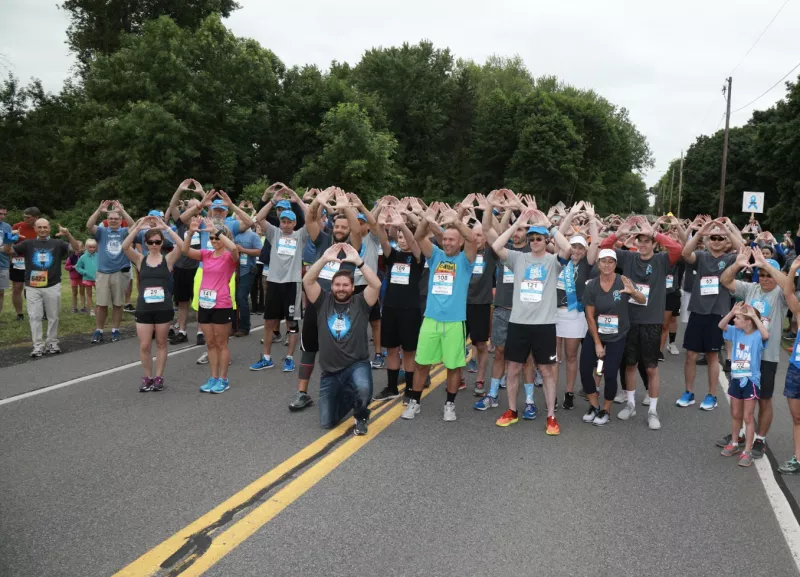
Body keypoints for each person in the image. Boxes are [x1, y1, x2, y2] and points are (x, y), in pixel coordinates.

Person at [490, 208, 571, 434]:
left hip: (544, 325)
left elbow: (567, 248)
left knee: (546, 371)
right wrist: (516, 226)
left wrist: (549, 225)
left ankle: (551, 416)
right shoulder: (518, 258)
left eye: (538, 238)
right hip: (518, 323)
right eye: (531, 238)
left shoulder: (553, 261)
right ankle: (512, 411)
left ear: (546, 241)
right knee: (513, 368)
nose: (534, 241)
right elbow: (496, 247)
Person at [599, 215, 682, 429]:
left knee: (652, 368)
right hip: (629, 321)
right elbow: (603, 247)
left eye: (647, 241)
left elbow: (677, 250)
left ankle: (653, 411)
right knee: (630, 365)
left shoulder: (662, 260)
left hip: (652, 322)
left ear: (654, 243)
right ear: (635, 242)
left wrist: (655, 232)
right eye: (640, 240)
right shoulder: (627, 258)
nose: (643, 244)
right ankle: (630, 404)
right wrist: (619, 232)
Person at [288, 188, 363, 411]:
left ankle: (345, 392)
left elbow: (358, 230)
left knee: (342, 353)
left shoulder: (353, 248)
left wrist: (345, 206)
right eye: (337, 226)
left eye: (343, 227)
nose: (339, 230)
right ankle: (302, 393)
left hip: (343, 308)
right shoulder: (322, 240)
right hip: (317, 304)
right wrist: (319, 202)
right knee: (309, 349)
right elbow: (310, 218)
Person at [402, 202, 476, 422]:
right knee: (421, 363)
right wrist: (429, 216)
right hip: (431, 320)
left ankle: (450, 405)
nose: (447, 242)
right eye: (445, 239)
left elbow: (473, 239)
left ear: (460, 242)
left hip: (455, 322)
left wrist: (455, 221)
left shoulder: (466, 260)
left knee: (453, 366)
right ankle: (415, 401)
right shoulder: (435, 255)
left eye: (452, 239)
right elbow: (419, 235)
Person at [716, 247, 790, 458]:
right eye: (762, 274)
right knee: (739, 399)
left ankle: (760, 439)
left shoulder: (780, 294)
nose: (765, 279)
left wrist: (767, 264)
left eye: (768, 275)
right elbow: (725, 280)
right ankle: (738, 435)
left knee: (764, 399)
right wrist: (738, 264)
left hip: (766, 357)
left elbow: (788, 286)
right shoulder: (751, 288)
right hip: (744, 357)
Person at [302, 242, 382, 435]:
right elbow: (307, 281)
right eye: (337, 285)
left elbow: (376, 284)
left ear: (353, 287)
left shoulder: (361, 302)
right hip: (330, 371)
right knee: (327, 422)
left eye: (345, 285)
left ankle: (361, 415)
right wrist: (324, 259)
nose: (341, 288)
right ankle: (349, 393)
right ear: (332, 286)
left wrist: (359, 262)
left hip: (357, 364)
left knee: (363, 389)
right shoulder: (323, 301)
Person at [678, 217, 743, 410]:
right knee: (690, 354)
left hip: (718, 313)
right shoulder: (701, 256)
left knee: (712, 355)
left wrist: (728, 228)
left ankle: (712, 395)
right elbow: (685, 253)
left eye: (720, 238)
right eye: (713, 238)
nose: (716, 241)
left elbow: (743, 252)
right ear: (707, 240)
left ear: (726, 242)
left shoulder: (730, 258)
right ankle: (688, 392)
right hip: (698, 311)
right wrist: (700, 232)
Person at [581, 249, 646, 425]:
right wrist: (597, 343)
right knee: (585, 369)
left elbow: (642, 300)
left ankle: (606, 409)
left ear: (615, 264)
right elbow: (589, 316)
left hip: (617, 335)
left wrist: (633, 292)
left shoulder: (623, 281)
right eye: (603, 261)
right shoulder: (591, 285)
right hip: (596, 333)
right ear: (598, 263)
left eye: (611, 261)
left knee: (610, 373)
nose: (607, 265)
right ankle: (594, 405)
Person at [250, 184, 309, 372]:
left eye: (288, 221)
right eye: (282, 221)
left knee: (292, 323)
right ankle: (266, 357)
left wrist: (298, 200)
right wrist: (273, 200)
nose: (285, 224)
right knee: (269, 321)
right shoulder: (273, 233)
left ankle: (290, 357)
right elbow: (259, 217)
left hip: (292, 284)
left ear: (293, 223)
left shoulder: (300, 235)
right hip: (274, 282)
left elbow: (312, 218)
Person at [122, 217, 184, 392]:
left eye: (157, 241)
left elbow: (182, 245)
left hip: (163, 308)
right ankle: (147, 377)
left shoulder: (168, 259)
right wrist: (138, 227)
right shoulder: (140, 259)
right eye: (150, 241)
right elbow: (125, 246)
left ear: (162, 242)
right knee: (144, 345)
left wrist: (166, 228)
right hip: (144, 308)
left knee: (162, 343)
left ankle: (159, 377)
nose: (154, 244)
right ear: (146, 242)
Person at [3, 219, 80, 356]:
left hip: (52, 284)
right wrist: (10, 239)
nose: (42, 230)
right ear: (35, 228)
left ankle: (52, 342)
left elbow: (76, 248)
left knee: (53, 316)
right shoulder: (27, 243)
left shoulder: (57, 243)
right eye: (40, 227)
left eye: (45, 227)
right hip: (33, 286)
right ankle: (38, 345)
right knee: (35, 316)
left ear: (49, 228)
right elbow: (7, 251)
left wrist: (68, 235)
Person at [182, 216, 239, 393]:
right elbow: (185, 251)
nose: (214, 240)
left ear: (223, 238)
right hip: (205, 304)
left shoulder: (230, 257)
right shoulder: (206, 255)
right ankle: (213, 377)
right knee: (210, 343)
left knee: (222, 343)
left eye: (217, 238)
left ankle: (223, 379)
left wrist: (217, 230)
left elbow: (234, 248)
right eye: (212, 238)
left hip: (222, 304)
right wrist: (191, 232)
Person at [372, 207, 423, 400]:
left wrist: (402, 223)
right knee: (391, 349)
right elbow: (382, 238)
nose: (402, 240)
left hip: (411, 309)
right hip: (391, 308)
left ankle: (410, 389)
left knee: (408, 351)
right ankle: (391, 388)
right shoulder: (393, 255)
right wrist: (382, 220)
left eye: (404, 236)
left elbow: (413, 241)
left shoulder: (418, 257)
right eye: (399, 236)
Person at [555, 202, 599, 409]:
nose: (576, 250)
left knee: (571, 356)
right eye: (573, 245)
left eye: (581, 247)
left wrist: (591, 219)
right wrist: (571, 215)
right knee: (553, 358)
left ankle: (569, 392)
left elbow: (596, 244)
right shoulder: (560, 260)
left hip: (574, 315)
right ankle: (552, 392)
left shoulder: (587, 264)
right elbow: (558, 235)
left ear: (585, 250)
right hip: (554, 313)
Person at [717, 302, 769, 468]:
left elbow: (766, 335)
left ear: (748, 321)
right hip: (736, 378)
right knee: (735, 413)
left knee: (748, 416)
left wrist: (754, 315)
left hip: (750, 380)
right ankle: (733, 442)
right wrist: (732, 312)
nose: (734, 321)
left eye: (738, 318)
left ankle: (747, 451)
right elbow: (721, 325)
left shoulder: (756, 336)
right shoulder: (735, 332)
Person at [86, 200, 135, 343]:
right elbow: (89, 226)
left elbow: (134, 225)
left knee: (118, 304)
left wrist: (122, 211)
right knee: (101, 304)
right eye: (111, 218)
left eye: (116, 218)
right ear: (107, 220)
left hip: (120, 272)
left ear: (121, 221)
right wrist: (98, 210)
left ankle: (115, 330)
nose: (113, 221)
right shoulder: (102, 231)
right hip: (102, 272)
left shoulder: (125, 232)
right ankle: (99, 330)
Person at [777, 258, 800, 474]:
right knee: (797, 417)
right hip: (796, 369)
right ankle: (798, 459)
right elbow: (788, 294)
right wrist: (792, 269)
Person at [232, 219, 262, 337]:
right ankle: (234, 325)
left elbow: (260, 251)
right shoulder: (234, 234)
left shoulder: (253, 236)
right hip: (234, 271)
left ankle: (245, 327)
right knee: (233, 298)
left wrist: (243, 250)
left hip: (248, 271)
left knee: (241, 297)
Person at [10, 206, 41, 320]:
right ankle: (19, 314)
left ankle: (36, 312)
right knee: (17, 287)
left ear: (36, 217)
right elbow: (9, 245)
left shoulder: (41, 227)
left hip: (35, 262)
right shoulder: (17, 226)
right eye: (24, 217)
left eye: (28, 218)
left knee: (34, 288)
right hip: (18, 261)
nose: (25, 219)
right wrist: (13, 238)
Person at [75, 240, 98, 315]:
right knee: (89, 294)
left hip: (98, 279)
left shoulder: (99, 255)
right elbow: (77, 267)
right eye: (90, 247)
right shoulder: (83, 257)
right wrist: (84, 272)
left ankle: (98, 308)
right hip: (87, 279)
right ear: (86, 247)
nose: (92, 249)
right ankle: (91, 309)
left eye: (94, 247)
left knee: (100, 294)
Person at [0, 205, 14, 313]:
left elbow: (9, 247)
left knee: (1, 292)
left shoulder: (7, 227)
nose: (3, 216)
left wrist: (10, 262)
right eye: (0, 214)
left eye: (5, 214)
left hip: (3, 263)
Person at [65, 240, 86, 312]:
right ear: (72, 248)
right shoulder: (70, 257)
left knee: (82, 292)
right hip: (74, 278)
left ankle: (83, 307)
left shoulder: (84, 257)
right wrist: (73, 267)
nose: (78, 250)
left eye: (79, 248)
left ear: (82, 248)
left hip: (82, 277)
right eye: (76, 248)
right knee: (74, 293)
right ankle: (74, 307)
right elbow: (66, 267)